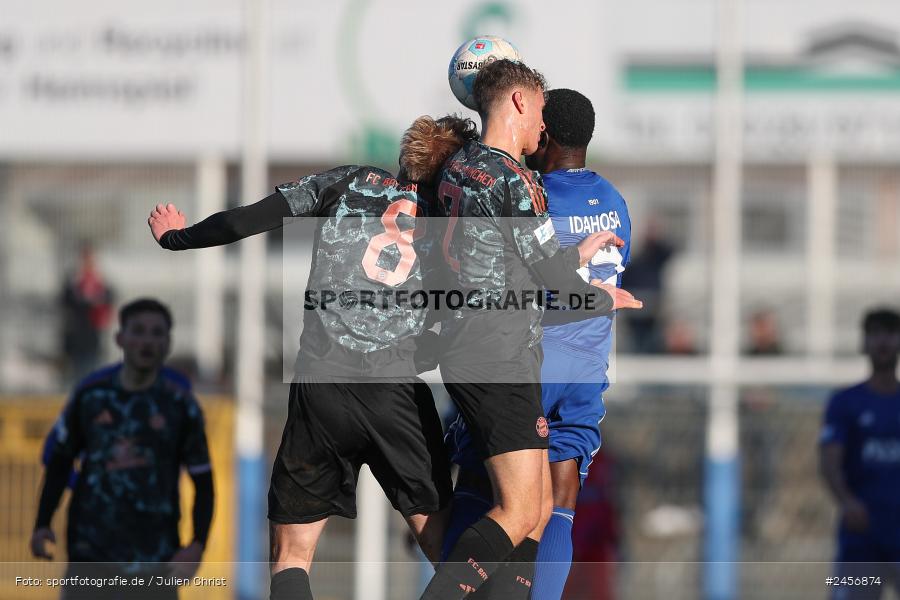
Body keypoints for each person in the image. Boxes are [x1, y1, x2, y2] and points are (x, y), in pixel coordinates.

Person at [148, 115, 476, 600]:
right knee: (439, 543)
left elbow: (248, 219)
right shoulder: (454, 225)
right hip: (396, 393)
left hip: (322, 387)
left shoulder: (347, 182)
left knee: (290, 554)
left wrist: (178, 237)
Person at [421, 63, 642, 600]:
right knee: (559, 496)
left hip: (530, 362)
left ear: (549, 139)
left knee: (487, 485)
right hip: (588, 370)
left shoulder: (530, 193)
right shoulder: (613, 200)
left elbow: (526, 276)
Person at [31, 298, 214, 600]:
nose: (147, 341)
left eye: (157, 333)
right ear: (120, 338)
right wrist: (42, 523)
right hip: (91, 554)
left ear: (168, 343)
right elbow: (59, 462)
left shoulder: (181, 407)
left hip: (155, 558)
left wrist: (197, 544)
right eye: (138, 331)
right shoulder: (91, 397)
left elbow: (204, 482)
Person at [820, 308, 900, 599]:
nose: (883, 342)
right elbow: (830, 461)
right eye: (875, 333)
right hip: (862, 536)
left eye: (891, 333)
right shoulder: (846, 402)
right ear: (864, 342)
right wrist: (847, 501)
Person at [60, 244, 114, 381]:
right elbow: (69, 302)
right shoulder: (73, 285)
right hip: (76, 339)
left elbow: (108, 298)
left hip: (94, 337)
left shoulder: (100, 284)